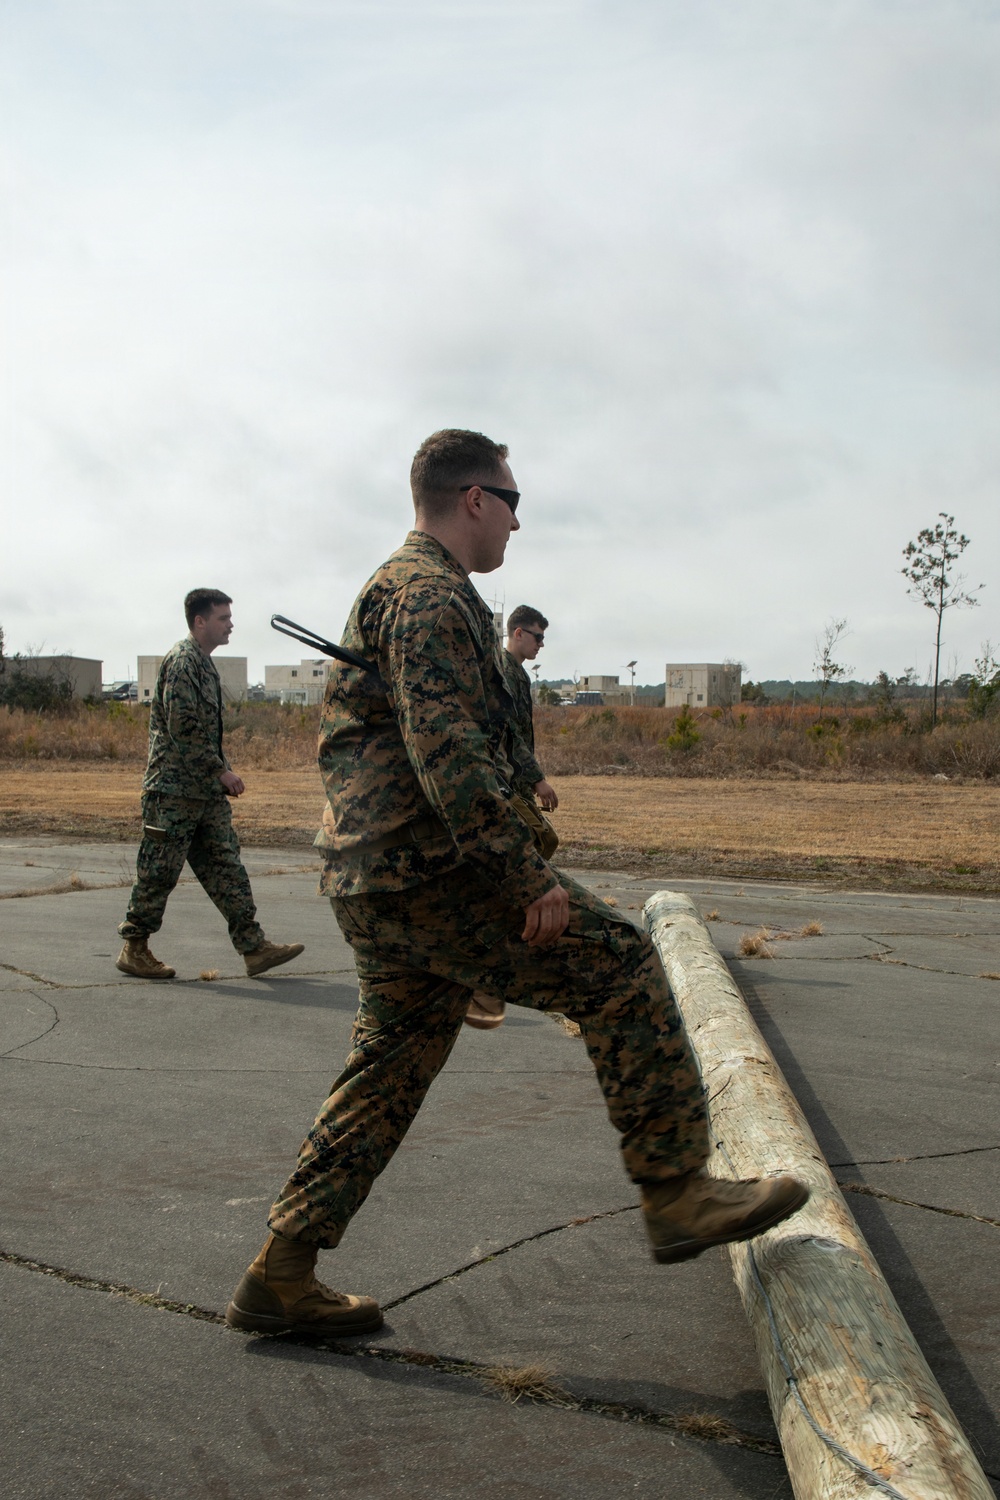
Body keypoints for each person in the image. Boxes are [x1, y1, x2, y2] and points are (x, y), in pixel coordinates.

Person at [224, 431, 807, 1339]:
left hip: (377, 877)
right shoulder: (429, 597)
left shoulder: (404, 588)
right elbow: (445, 749)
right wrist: (524, 871)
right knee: (620, 966)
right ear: (472, 500)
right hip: (429, 873)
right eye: (512, 498)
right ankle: (678, 1193)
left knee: (390, 1068)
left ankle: (282, 1272)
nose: (519, 519)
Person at [116, 589, 305, 981]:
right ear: (200, 621)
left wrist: (219, 773)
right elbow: (183, 728)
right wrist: (219, 771)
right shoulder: (183, 662)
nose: (230, 623)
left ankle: (254, 948)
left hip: (202, 792)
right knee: (159, 872)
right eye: (222, 617)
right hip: (172, 792)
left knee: (226, 866)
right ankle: (134, 948)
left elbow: (206, 732)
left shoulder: (204, 665)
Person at [464, 603, 558, 1031]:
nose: (541, 644)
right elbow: (510, 733)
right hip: (504, 778)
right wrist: (536, 780)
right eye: (537, 636)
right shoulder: (503, 669)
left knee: (539, 844)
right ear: (517, 633)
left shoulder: (515, 673)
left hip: (511, 777)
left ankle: (513, 933)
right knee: (535, 845)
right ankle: (505, 939)